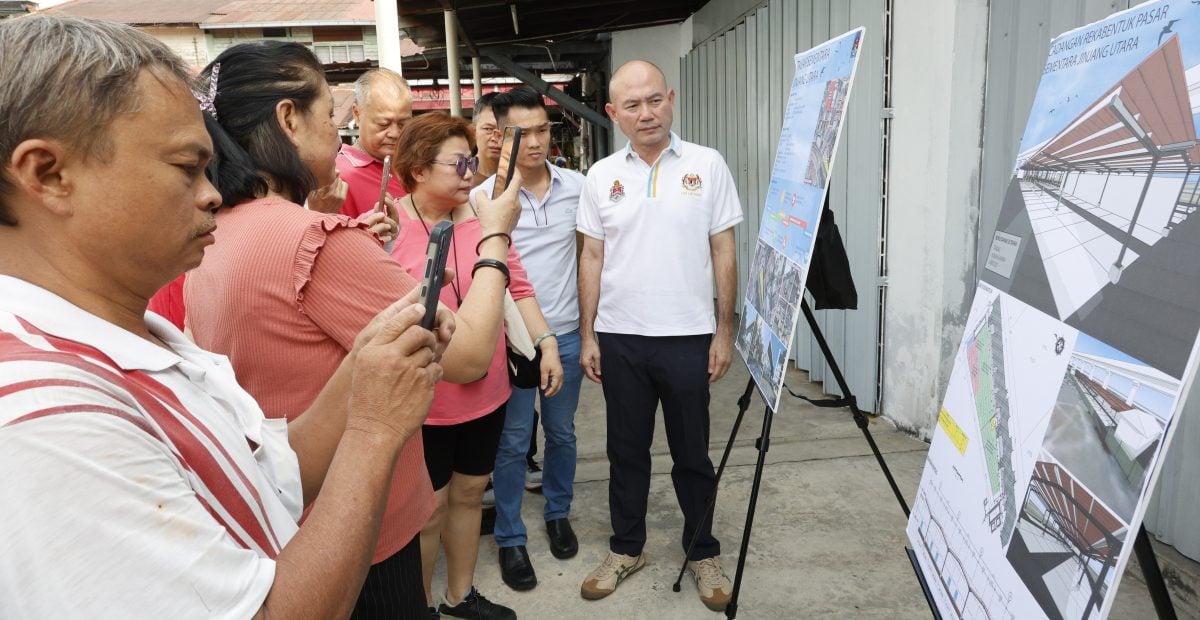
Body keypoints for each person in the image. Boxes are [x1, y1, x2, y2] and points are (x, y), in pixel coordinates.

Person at [0, 15, 448, 618]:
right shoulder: (51, 421)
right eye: (185, 167)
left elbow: (268, 475)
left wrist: (366, 365)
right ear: (50, 175)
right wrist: (375, 430)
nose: (212, 193)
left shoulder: (126, 337)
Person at [181, 41, 522, 619]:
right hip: (358, 524)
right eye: (330, 118)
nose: (338, 138)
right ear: (289, 120)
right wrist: (495, 239)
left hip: (279, 512)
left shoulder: (213, 231)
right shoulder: (315, 242)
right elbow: (466, 357)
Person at [576, 60, 743, 613]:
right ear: (613, 113)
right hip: (620, 337)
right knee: (626, 452)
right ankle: (627, 548)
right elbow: (592, 256)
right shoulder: (601, 176)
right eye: (632, 105)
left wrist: (724, 330)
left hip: (688, 336)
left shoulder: (706, 164)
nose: (646, 113)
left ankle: (702, 551)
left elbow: (723, 248)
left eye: (654, 100)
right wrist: (589, 334)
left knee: (692, 453)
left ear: (670, 98)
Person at [390, 113, 562, 620]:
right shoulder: (386, 227)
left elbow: (518, 286)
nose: (471, 173)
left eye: (472, 161)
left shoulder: (486, 220)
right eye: (458, 164)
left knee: (468, 494)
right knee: (428, 511)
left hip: (487, 392)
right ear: (418, 170)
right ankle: (421, 606)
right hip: (425, 400)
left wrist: (546, 342)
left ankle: (459, 595)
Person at [476, 86, 585, 592]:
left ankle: (558, 512)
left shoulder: (578, 188)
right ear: (501, 137)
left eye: (543, 129)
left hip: (566, 334)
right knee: (513, 442)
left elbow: (589, 258)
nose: (537, 142)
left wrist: (590, 332)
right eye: (524, 133)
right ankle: (510, 536)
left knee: (562, 434)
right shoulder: (484, 199)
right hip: (513, 344)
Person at [337, 68, 412, 219]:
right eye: (383, 124)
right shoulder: (338, 177)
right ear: (357, 114)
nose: (395, 133)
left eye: (403, 124)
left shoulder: (416, 165)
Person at [471, 92, 502, 188]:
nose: (495, 138)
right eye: (488, 129)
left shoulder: (523, 177)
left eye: (503, 130)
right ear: (474, 132)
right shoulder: (460, 176)